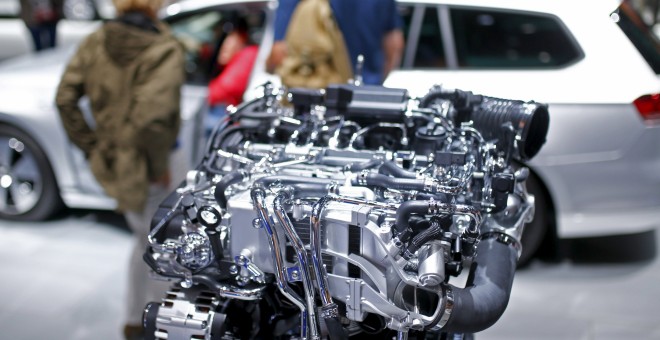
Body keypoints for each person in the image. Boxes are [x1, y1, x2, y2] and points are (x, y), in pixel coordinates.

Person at [54, 0, 185, 338]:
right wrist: (158, 168)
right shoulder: (163, 47)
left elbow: (65, 97)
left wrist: (93, 146)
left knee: (143, 240)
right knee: (161, 247)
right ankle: (158, 325)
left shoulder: (97, 39)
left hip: (117, 160)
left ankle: (133, 318)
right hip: (154, 164)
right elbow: (154, 120)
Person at [267, 0, 405, 86]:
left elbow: (279, 52)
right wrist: (375, 80)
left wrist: (269, 68)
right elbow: (394, 45)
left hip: (316, 98)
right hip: (367, 96)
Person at [207, 18, 259, 110]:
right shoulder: (234, 58)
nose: (223, 45)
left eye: (228, 38)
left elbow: (225, 88)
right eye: (218, 39)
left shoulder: (249, 53)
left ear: (242, 37)